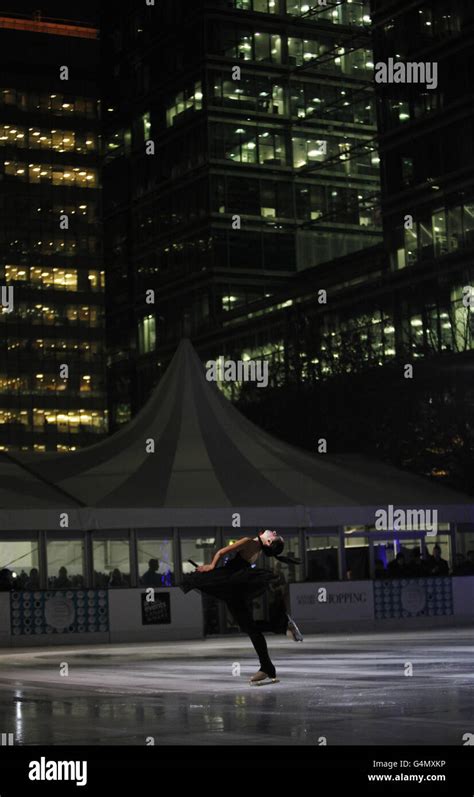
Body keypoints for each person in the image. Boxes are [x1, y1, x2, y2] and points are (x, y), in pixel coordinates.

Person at [181, 529, 303, 685]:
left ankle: (280, 631)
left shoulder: (248, 542)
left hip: (231, 582)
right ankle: (268, 663)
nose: (273, 531)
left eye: (273, 534)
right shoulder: (258, 548)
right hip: (236, 585)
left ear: (268, 542)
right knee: (250, 628)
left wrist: (211, 566)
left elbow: (222, 552)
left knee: (248, 627)